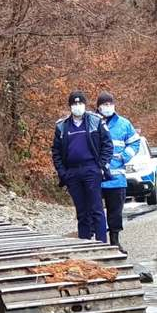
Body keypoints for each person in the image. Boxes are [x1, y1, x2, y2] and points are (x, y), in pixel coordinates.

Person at [51, 90, 113, 243]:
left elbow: (107, 145)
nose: (77, 106)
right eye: (74, 103)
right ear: (70, 106)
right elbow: (56, 152)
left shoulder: (95, 121)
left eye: (80, 103)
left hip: (91, 169)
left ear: (85, 105)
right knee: (81, 212)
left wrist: (100, 166)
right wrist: (63, 172)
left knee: (96, 209)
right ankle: (84, 243)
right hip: (72, 172)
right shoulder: (62, 126)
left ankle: (102, 244)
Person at [96, 92, 141, 250]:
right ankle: (99, 241)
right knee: (96, 212)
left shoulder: (124, 123)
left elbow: (135, 143)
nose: (107, 107)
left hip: (117, 178)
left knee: (115, 212)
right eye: (104, 104)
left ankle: (115, 240)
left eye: (110, 104)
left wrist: (124, 157)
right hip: (96, 177)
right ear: (98, 107)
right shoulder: (92, 122)